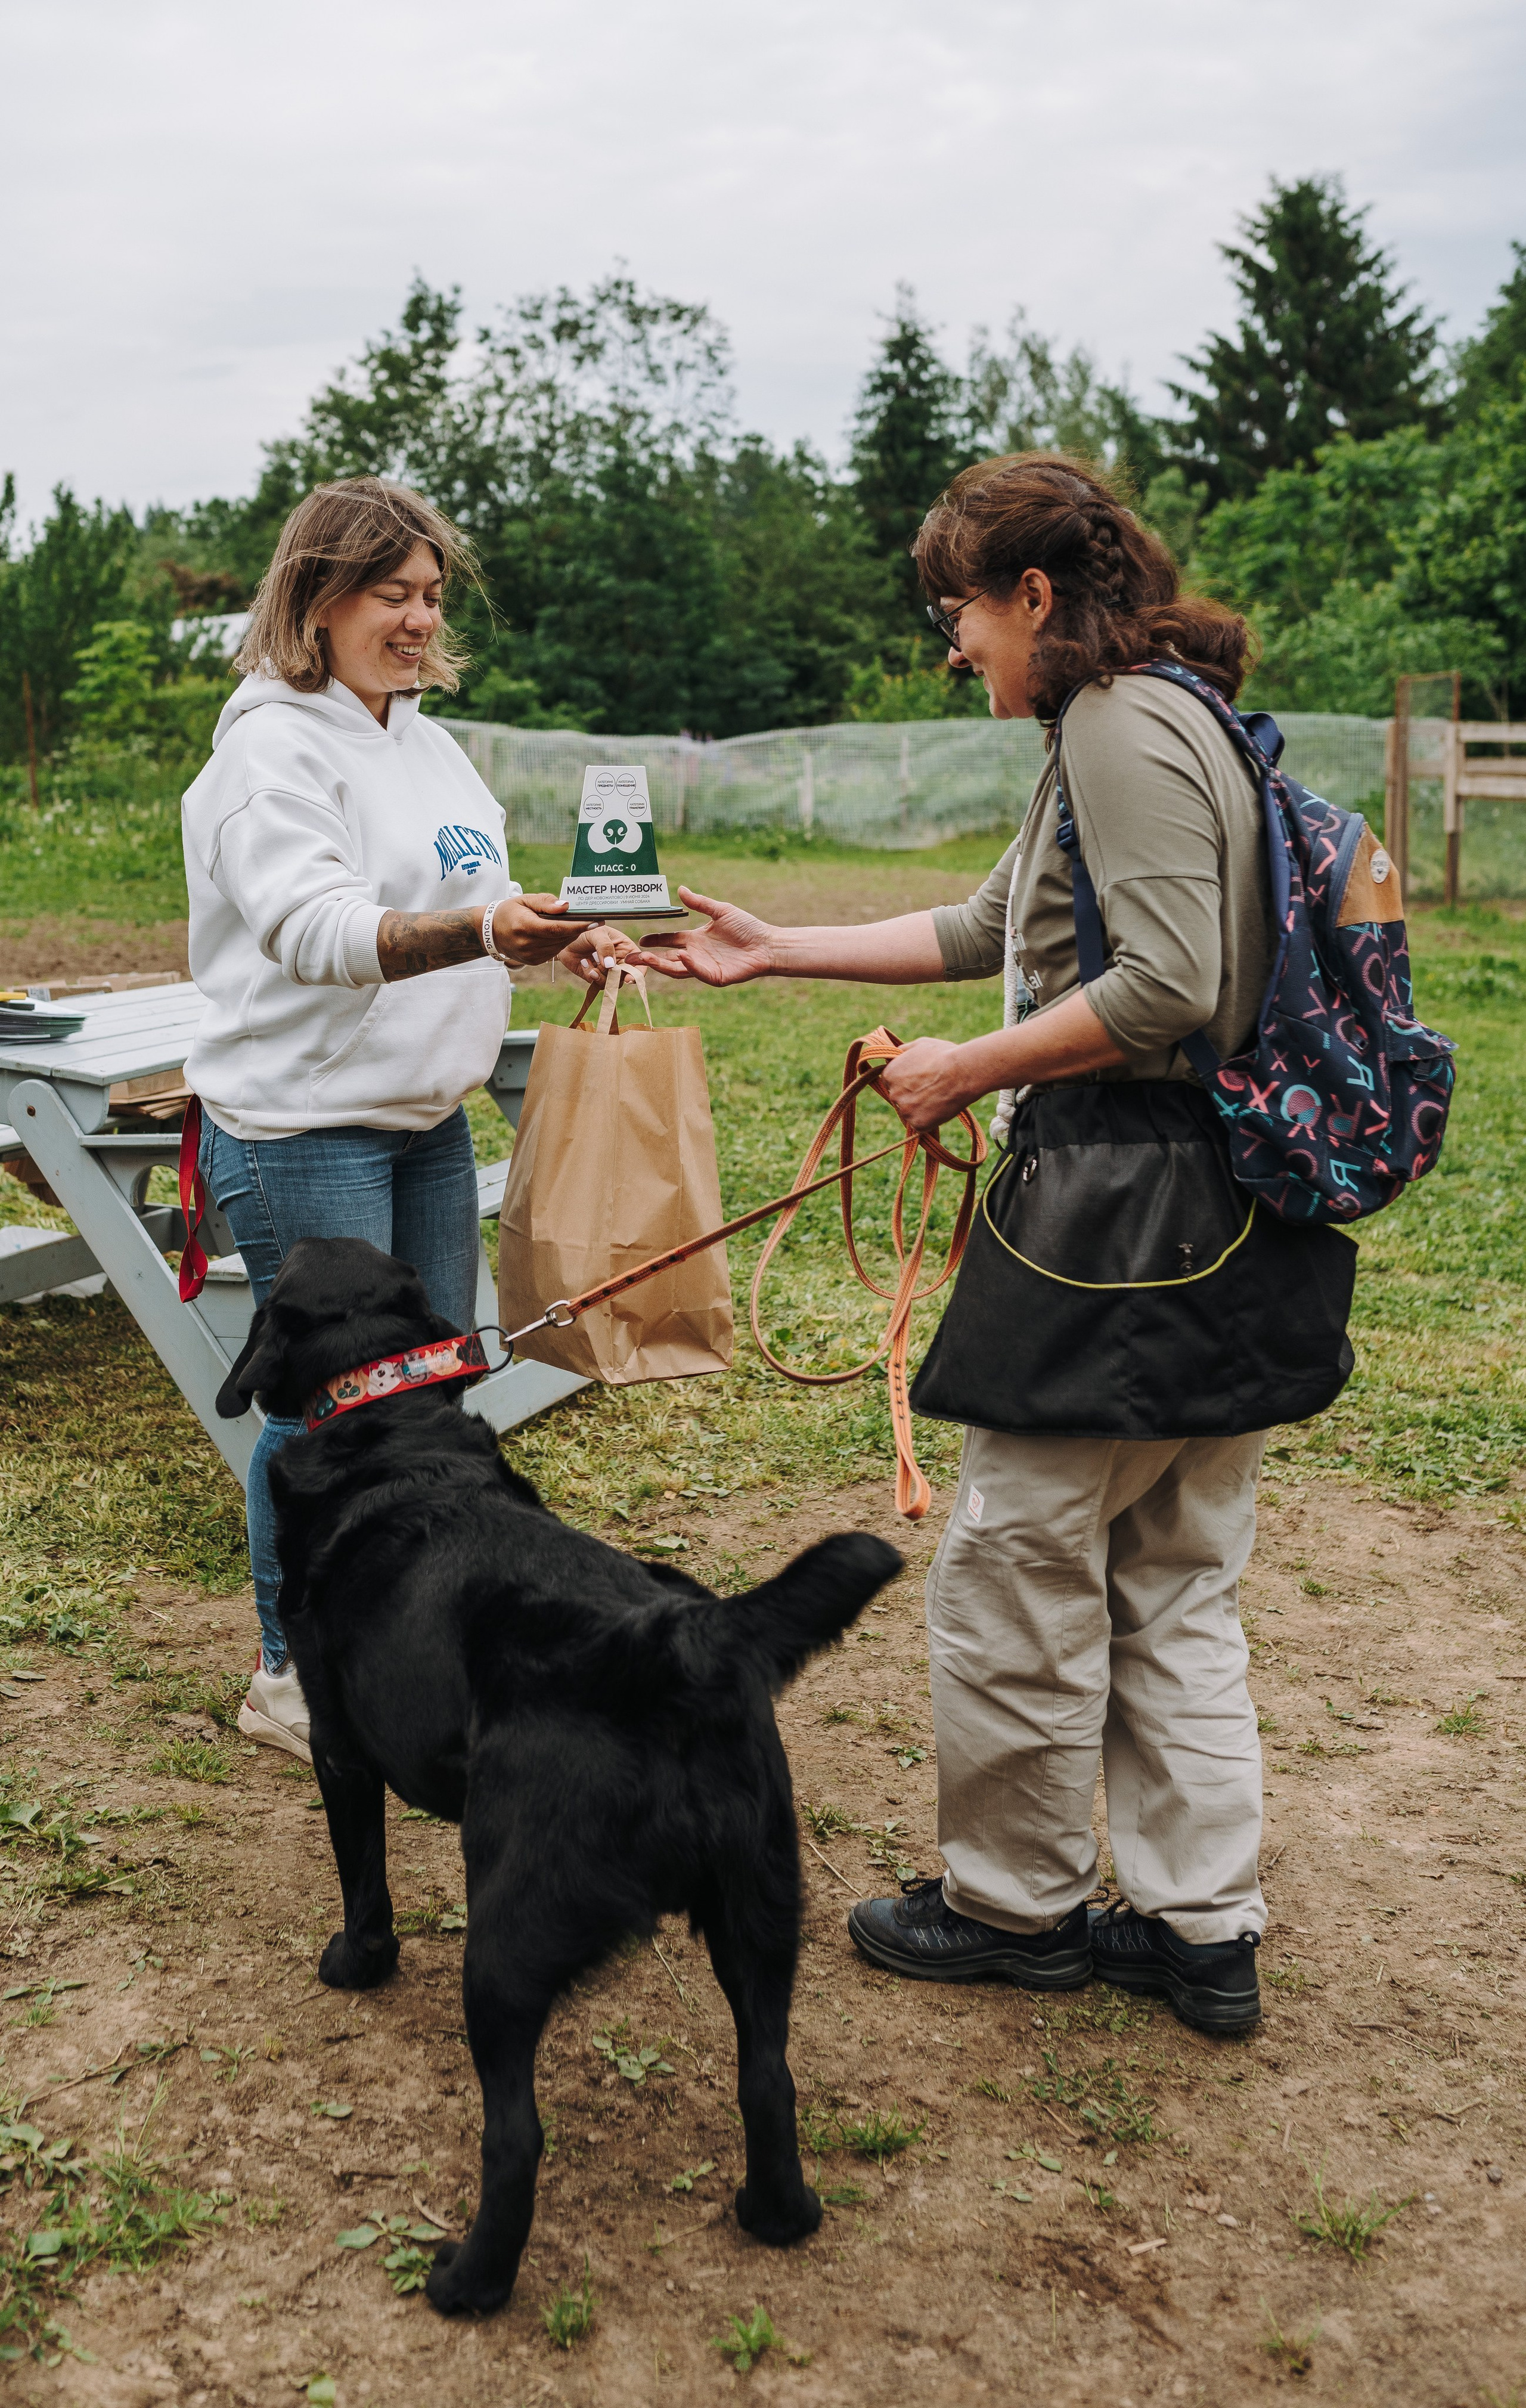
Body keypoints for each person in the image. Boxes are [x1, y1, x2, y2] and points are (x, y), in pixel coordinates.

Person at [619, 454, 1357, 2036]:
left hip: (1118, 1226)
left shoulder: (1111, 720)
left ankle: (1013, 1908)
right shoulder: (1155, 712)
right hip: (1217, 1225)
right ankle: (1198, 1929)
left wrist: (966, 1070)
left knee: (1018, 1574)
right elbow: (993, 928)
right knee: (1173, 1583)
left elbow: (1161, 986)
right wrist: (775, 952)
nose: (954, 649)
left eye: (959, 612)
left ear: (1032, 594)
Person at [182, 478, 615, 1762]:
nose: (421, 620)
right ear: (317, 600)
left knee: (432, 1402)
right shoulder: (270, 753)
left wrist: (545, 933)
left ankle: (411, 1640)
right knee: (327, 1412)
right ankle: (288, 1668)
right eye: (393, 595)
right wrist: (485, 928)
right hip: (301, 1123)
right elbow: (316, 932)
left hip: (423, 1117)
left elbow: (469, 894)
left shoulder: (422, 735)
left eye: (430, 595)